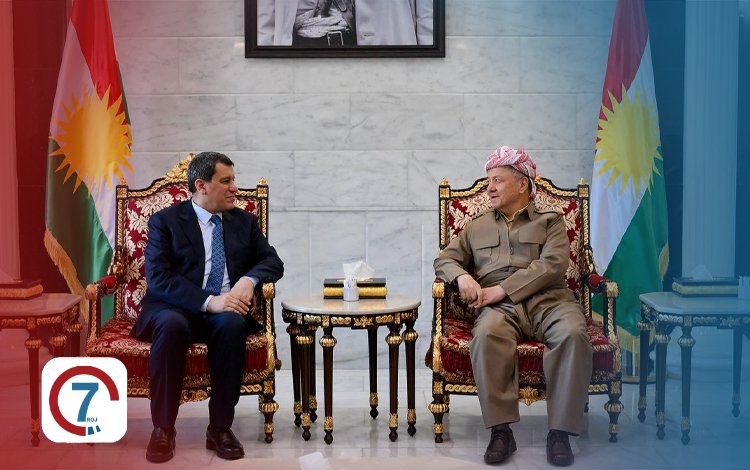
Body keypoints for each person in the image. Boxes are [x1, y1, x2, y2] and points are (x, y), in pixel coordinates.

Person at [433, 146, 592, 466]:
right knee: (487, 334)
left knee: (574, 334)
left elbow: (554, 264)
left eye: (498, 180)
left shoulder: (551, 221)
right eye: (488, 181)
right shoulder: (476, 225)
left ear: (522, 184)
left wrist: (502, 289)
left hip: (550, 301)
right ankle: (501, 431)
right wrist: (462, 277)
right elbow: (444, 260)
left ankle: (560, 434)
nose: (489, 188)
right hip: (499, 310)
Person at [131, 152, 284, 463]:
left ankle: (219, 428)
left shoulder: (244, 221)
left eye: (234, 180)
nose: (235, 188)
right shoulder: (165, 222)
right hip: (175, 307)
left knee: (233, 324)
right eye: (226, 181)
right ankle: (163, 428)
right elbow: (158, 278)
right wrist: (209, 301)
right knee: (171, 326)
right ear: (201, 185)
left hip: (225, 310)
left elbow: (272, 261)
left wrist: (249, 280)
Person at [257, 0, 433, 47]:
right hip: (299, 50)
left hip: (382, 46)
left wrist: (426, 60)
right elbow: (264, 16)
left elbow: (427, 12)